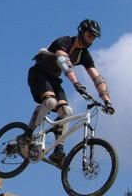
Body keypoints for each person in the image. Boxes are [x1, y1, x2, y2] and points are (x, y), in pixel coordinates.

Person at [17, 19, 115, 166]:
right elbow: (64, 62)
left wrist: (107, 100)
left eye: (94, 38)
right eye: (89, 35)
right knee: (50, 102)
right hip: (39, 74)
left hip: (54, 80)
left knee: (67, 111)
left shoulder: (84, 55)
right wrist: (76, 83)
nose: (91, 40)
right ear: (82, 31)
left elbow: (97, 78)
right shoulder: (64, 41)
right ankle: (26, 136)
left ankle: (58, 151)